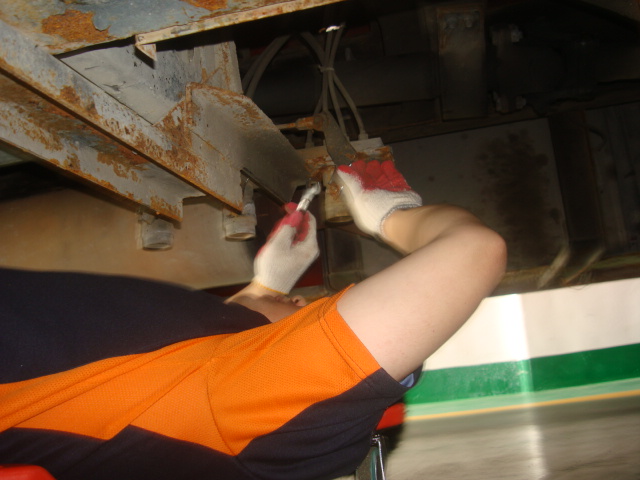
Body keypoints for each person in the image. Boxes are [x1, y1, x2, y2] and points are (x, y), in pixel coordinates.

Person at [0, 159, 506, 480]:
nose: (305, 303)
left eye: (314, 315)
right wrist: (264, 290)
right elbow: (178, 368)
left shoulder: (270, 423)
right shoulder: (215, 395)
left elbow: (473, 250)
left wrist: (394, 215)